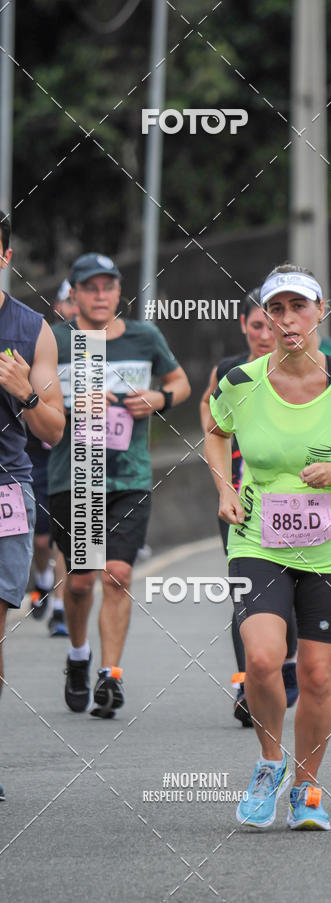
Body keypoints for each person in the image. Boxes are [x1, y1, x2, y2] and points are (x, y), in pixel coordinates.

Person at [205, 264, 331, 829]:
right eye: (276, 310)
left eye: (299, 308)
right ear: (264, 316)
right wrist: (225, 486)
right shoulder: (241, 382)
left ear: (320, 311)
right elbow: (215, 432)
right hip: (257, 537)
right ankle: (268, 765)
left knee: (315, 676)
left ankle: (307, 788)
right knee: (262, 658)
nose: (288, 320)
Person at [48, 252, 190, 718]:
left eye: (108, 286)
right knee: (82, 583)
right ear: (74, 294)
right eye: (91, 287)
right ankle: (78, 656)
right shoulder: (56, 342)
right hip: (76, 476)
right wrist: (69, 406)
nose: (101, 295)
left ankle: (111, 676)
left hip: (129, 476)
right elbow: (37, 404)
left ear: (118, 291)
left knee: (118, 575)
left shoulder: (144, 337)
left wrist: (159, 398)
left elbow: (181, 382)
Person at [200, 288, 299, 727]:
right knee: (248, 591)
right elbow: (211, 417)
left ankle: (288, 660)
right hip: (242, 501)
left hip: (297, 502)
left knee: (292, 590)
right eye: (257, 324)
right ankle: (246, 681)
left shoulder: (316, 366)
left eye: (271, 323)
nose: (265, 332)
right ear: (244, 326)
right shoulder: (230, 372)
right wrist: (226, 486)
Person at [0, 211, 66, 799]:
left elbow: (52, 429)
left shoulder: (32, 330)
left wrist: (23, 391)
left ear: (5, 258)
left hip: (5, 492)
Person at [27, 279, 77, 635]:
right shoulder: (40, 342)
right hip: (36, 454)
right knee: (41, 539)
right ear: (58, 306)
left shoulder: (93, 349)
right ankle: (42, 577)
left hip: (72, 455)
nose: (75, 308)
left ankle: (60, 607)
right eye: (69, 301)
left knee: (64, 534)